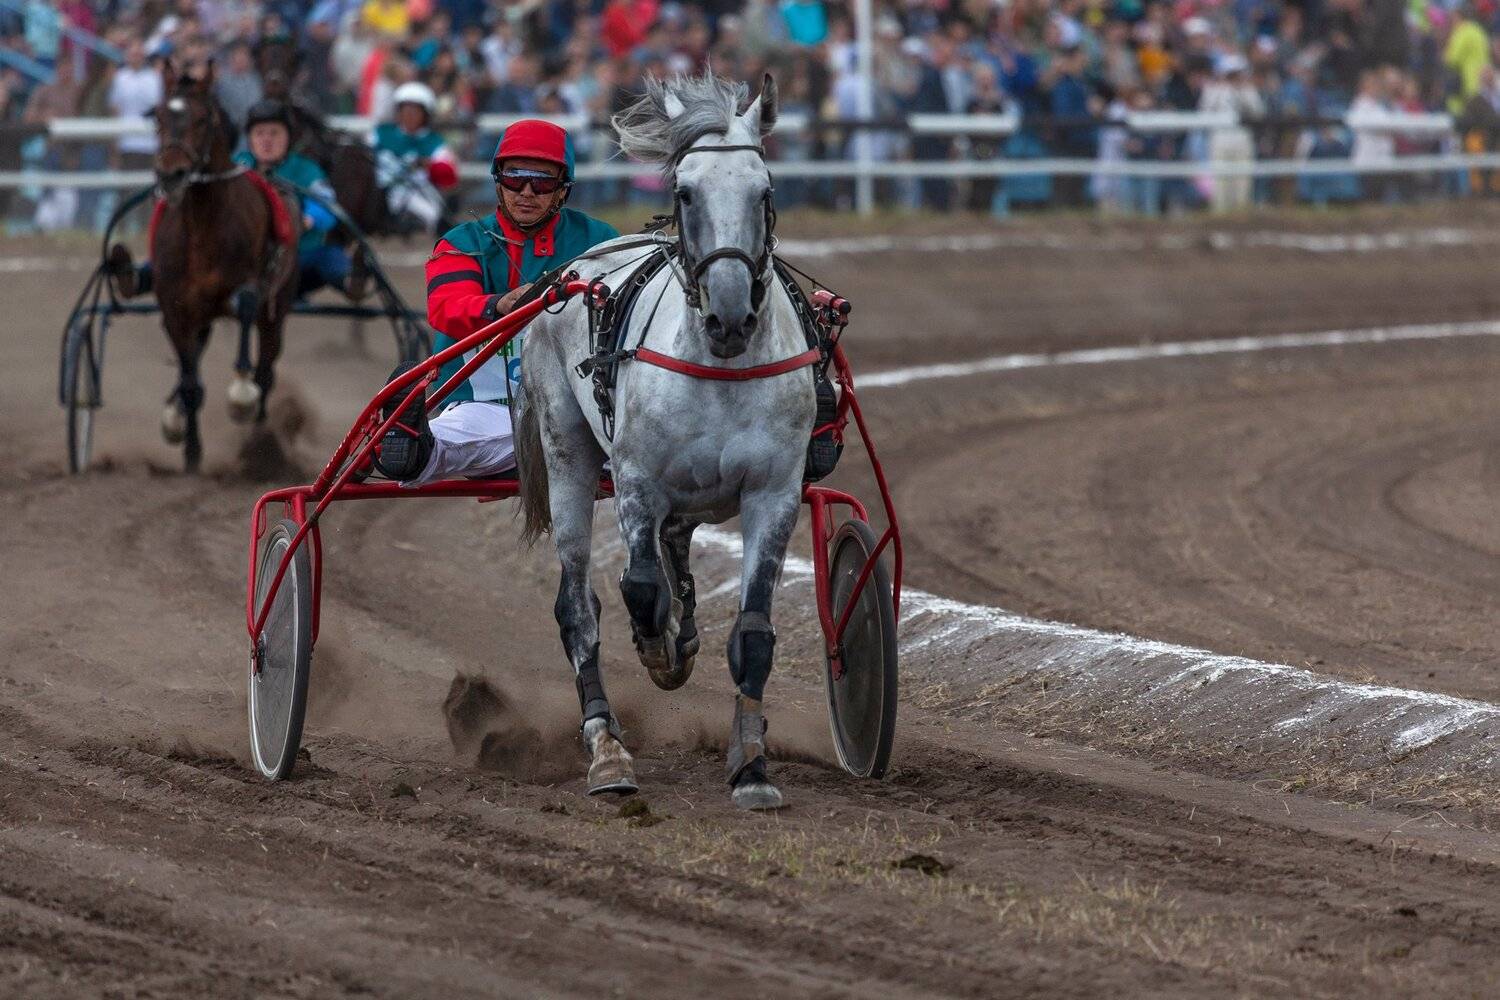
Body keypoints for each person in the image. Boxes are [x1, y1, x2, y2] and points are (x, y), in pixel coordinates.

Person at [373, 119, 619, 483]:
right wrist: (499, 304)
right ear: (498, 181)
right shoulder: (463, 240)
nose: (527, 191)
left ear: (563, 190)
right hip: (483, 405)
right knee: (477, 436)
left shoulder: (600, 241)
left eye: (543, 181)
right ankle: (414, 447)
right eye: (515, 177)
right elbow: (445, 309)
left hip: (581, 400)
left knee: (597, 432)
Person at [106, 100, 366, 302]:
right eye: (260, 134)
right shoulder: (237, 166)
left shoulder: (306, 170)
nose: (267, 140)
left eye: (274, 134)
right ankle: (137, 279)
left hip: (298, 262)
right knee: (179, 256)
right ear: (250, 139)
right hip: (241, 265)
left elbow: (327, 205)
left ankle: (350, 281)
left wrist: (307, 219)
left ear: (288, 139)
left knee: (330, 257)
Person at [372, 80, 460, 232]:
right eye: (405, 110)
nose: (409, 116)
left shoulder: (434, 142)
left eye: (415, 111)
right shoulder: (381, 134)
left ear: (425, 115)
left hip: (415, 191)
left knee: (432, 214)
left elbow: (448, 175)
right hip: (378, 191)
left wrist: (428, 165)